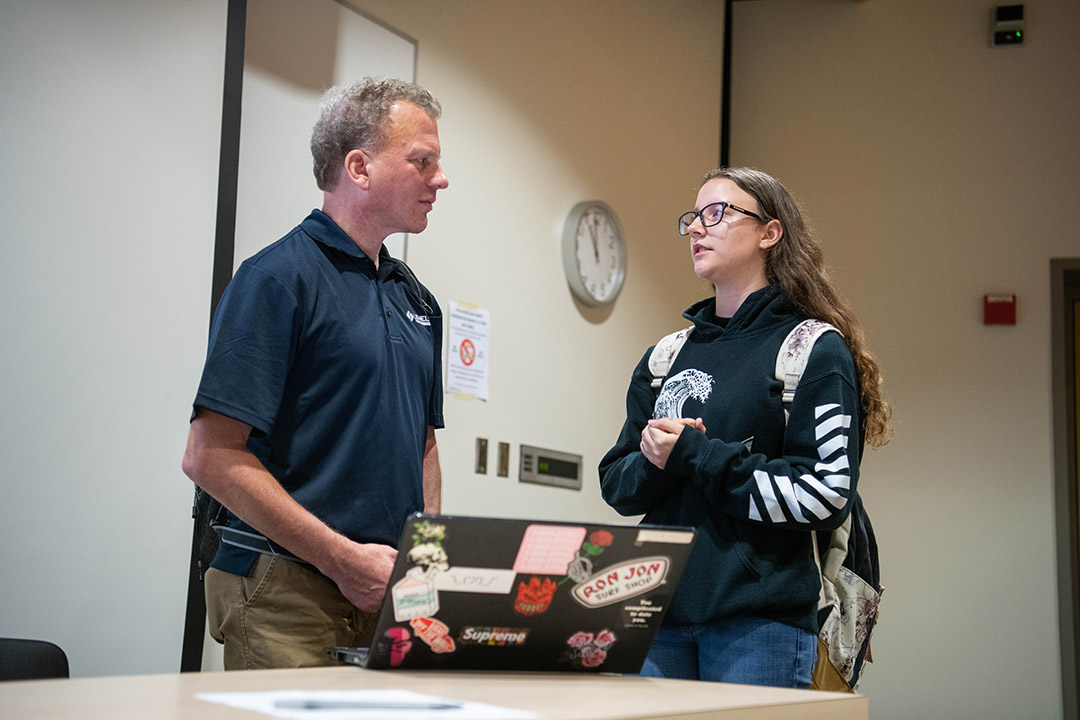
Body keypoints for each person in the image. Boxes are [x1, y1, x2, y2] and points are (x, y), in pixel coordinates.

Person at [182, 77, 449, 670]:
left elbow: (423, 446)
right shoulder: (277, 279)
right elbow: (211, 457)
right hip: (285, 589)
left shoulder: (420, 302)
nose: (441, 178)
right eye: (422, 161)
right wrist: (341, 560)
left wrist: (421, 561)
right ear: (359, 167)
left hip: (386, 595)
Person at [598, 166, 889, 688]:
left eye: (717, 214)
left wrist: (697, 455)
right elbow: (618, 485)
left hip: (760, 627)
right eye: (692, 218)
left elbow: (825, 495)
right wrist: (656, 458)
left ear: (769, 233)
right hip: (658, 618)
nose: (696, 228)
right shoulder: (667, 356)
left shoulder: (812, 350)